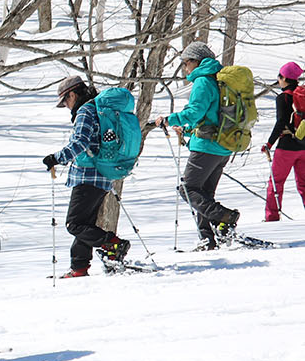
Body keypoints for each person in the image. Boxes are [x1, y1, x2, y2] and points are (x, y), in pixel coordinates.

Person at [42, 76, 132, 277]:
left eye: (65, 101)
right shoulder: (96, 109)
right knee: (85, 225)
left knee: (74, 224)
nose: (66, 106)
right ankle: (79, 267)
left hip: (88, 176)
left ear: (73, 94)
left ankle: (114, 244)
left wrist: (56, 158)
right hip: (101, 176)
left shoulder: (85, 111)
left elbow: (80, 143)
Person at [153, 41, 240, 249]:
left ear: (196, 61)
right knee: (203, 194)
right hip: (223, 145)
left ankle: (225, 216)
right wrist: (189, 130)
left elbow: (195, 112)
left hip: (206, 147)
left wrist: (169, 119)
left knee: (187, 189)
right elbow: (210, 116)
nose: (185, 68)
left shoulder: (203, 81)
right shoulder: (218, 80)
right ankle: (208, 239)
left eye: (186, 63)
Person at [262, 62, 305, 222]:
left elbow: (281, 122)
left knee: (276, 183)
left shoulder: (284, 98)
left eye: (279, 76)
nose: (278, 80)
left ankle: (272, 218)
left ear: (285, 78)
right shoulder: (303, 95)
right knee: (304, 185)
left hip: (287, 147)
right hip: (304, 146)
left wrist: (269, 143)